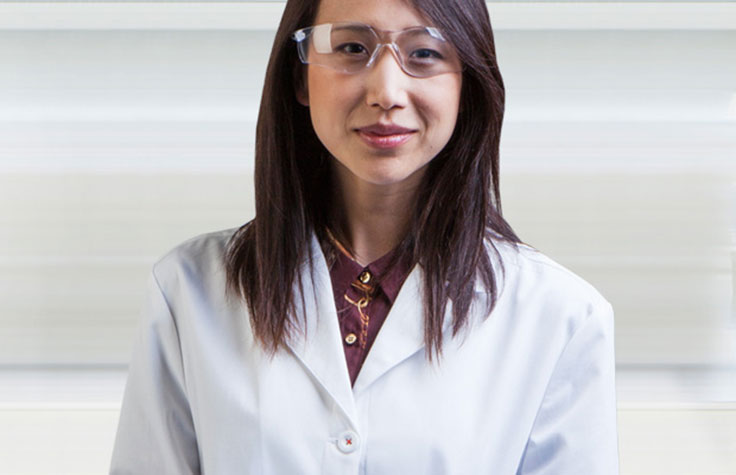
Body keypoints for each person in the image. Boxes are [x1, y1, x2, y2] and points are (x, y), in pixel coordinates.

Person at [110, 0, 619, 473]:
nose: (386, 93)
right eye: (352, 48)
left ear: (467, 83)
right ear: (300, 75)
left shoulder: (562, 317)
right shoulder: (188, 291)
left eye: (424, 53)